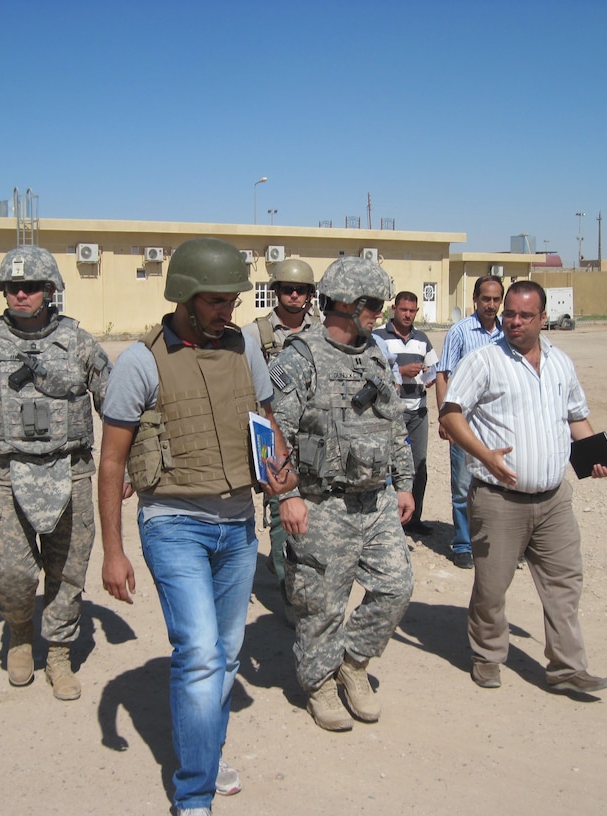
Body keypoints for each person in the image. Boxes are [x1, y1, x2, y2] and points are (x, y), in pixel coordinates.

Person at [97, 237, 295, 816]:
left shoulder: (243, 348)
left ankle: (206, 753)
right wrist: (114, 552)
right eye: (214, 301)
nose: (226, 311)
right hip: (173, 521)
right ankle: (193, 794)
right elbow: (110, 462)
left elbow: (266, 418)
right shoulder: (141, 360)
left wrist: (283, 477)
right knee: (201, 652)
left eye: (232, 300)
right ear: (183, 296)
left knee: (227, 653)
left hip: (236, 525)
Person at [0, 245, 110, 701]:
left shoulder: (79, 343)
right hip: (6, 474)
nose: (21, 294)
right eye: (14, 287)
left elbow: (114, 407)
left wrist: (127, 467)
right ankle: (19, 633)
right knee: (14, 572)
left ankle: (58, 651)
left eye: (31, 287)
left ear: (50, 290)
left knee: (69, 569)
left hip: (71, 471)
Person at [439, 280, 607, 694]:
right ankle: (487, 656)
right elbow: (450, 415)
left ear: (542, 318)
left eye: (523, 315)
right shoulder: (484, 361)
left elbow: (576, 418)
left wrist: (594, 456)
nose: (513, 322)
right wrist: (484, 455)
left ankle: (568, 667)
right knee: (492, 588)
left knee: (564, 584)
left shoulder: (560, 363)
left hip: (554, 500)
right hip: (499, 501)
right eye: (509, 314)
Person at [269, 255, 415, 732]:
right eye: (372, 304)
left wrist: (405, 482)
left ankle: (353, 663)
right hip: (320, 502)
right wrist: (284, 496)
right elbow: (272, 432)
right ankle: (319, 684)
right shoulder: (300, 357)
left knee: (396, 586)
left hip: (374, 501)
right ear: (345, 304)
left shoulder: (374, 353)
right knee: (321, 603)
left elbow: (393, 424)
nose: (379, 313)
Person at [242, 258, 319, 623]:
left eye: (300, 289)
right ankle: (291, 594)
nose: (293, 295)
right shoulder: (254, 335)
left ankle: (299, 579)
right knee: (280, 514)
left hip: (314, 439)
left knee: (315, 515)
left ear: (309, 295)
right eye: (286, 288)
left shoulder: (321, 331)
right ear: (275, 292)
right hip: (271, 436)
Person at [435, 275, 505, 570]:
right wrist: (444, 416)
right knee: (463, 487)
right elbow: (443, 374)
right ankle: (463, 543)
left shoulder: (506, 334)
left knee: (499, 486)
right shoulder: (460, 332)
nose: (491, 305)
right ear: (475, 299)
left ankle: (497, 543)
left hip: (498, 424)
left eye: (496, 299)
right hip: (465, 423)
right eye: (485, 299)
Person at [373, 291, 438, 536]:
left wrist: (429, 376)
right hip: (389, 415)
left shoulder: (422, 339)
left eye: (412, 311)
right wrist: (401, 370)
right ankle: (389, 522)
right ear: (393, 309)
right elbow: (372, 372)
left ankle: (413, 518)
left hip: (418, 412)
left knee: (418, 466)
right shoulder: (377, 337)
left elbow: (435, 367)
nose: (408, 315)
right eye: (404, 310)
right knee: (387, 468)